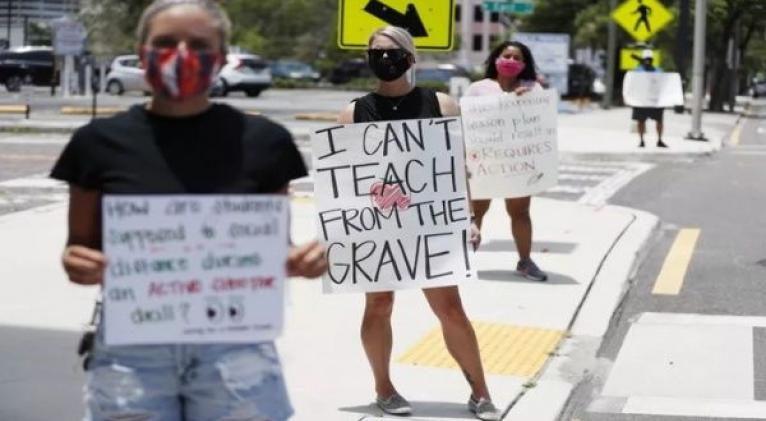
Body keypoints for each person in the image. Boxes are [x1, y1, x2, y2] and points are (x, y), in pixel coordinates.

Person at [50, 1, 327, 420]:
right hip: (134, 345)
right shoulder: (97, 143)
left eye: (199, 44)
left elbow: (274, 247)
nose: (181, 53)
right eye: (165, 42)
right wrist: (78, 262)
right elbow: (78, 249)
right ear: (141, 52)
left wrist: (298, 260)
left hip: (235, 346)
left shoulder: (265, 143)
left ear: (220, 57)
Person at [336, 26, 501, 421]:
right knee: (379, 304)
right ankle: (384, 389)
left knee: (450, 308)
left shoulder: (441, 104)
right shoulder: (354, 112)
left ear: (411, 57)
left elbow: (455, 167)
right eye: (376, 52)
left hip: (431, 223)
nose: (384, 59)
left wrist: (470, 217)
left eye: (392, 51)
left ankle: (481, 392)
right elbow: (345, 180)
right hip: (379, 225)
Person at [463, 41, 548, 282]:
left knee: (520, 212)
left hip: (517, 163)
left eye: (516, 57)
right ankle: (465, 261)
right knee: (476, 211)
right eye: (506, 55)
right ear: (496, 59)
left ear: (524, 64)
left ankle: (525, 261)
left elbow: (540, 120)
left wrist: (526, 101)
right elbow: (466, 120)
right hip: (483, 162)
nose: (510, 60)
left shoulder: (533, 89)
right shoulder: (478, 89)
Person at [632, 49, 668, 148]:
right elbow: (633, 84)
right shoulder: (637, 71)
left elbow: (663, 84)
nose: (648, 61)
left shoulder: (658, 71)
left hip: (655, 100)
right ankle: (641, 140)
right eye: (646, 59)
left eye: (649, 59)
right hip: (642, 101)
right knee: (641, 121)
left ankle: (659, 140)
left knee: (659, 121)